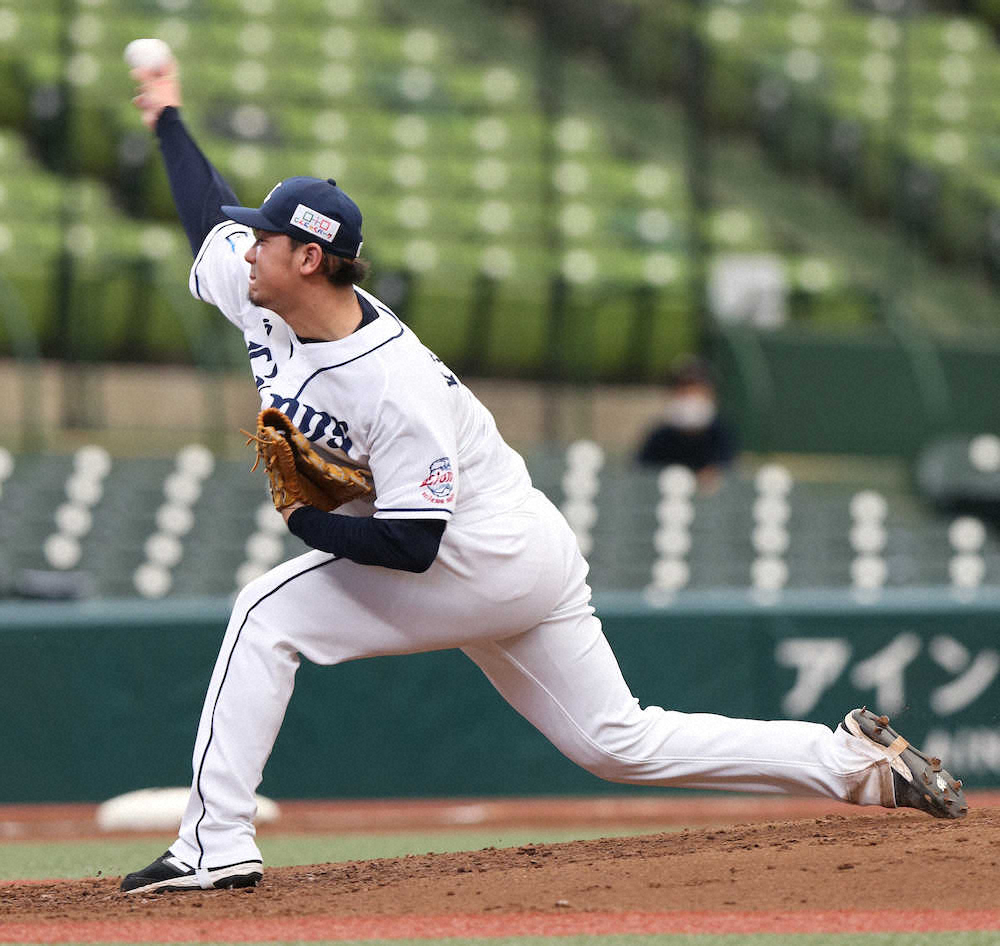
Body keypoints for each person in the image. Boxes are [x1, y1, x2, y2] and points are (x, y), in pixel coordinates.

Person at [119, 55, 967, 895]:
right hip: (527, 547)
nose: (247, 248)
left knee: (266, 614)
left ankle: (216, 845)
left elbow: (413, 547)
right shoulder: (268, 289)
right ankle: (853, 765)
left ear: (308, 259)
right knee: (617, 742)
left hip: (477, 553)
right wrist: (169, 118)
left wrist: (304, 522)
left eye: (264, 236)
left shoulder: (393, 383)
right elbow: (205, 220)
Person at [636, 357, 736, 490]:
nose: (690, 396)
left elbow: (728, 470)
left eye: (695, 389)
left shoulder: (721, 435)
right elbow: (641, 472)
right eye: (684, 389)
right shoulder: (660, 437)